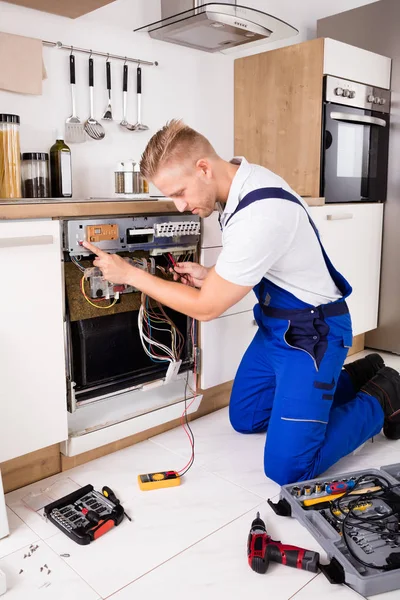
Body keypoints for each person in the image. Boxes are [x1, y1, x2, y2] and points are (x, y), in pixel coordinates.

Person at [83, 120, 400, 485]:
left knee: (289, 469)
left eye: (180, 192)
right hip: (276, 326)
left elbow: (207, 308)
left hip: (313, 335)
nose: (180, 205)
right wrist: (211, 276)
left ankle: (384, 394)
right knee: (247, 416)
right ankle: (357, 375)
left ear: (204, 168)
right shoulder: (238, 183)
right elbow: (261, 261)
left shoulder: (259, 212)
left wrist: (132, 275)